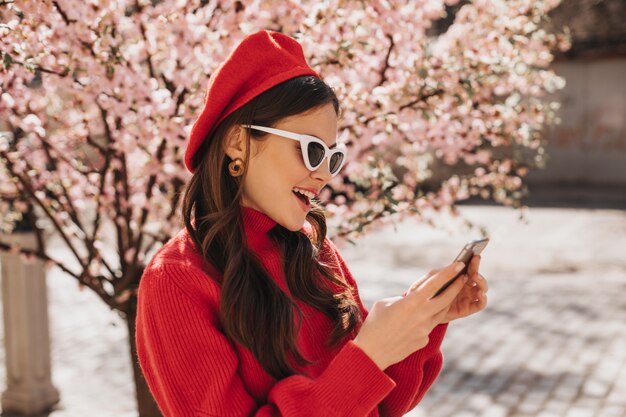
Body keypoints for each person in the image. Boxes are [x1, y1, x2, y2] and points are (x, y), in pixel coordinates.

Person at [135, 30, 488, 417]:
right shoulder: (177, 279)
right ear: (238, 143)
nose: (324, 174)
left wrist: (422, 322)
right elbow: (359, 377)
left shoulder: (313, 249)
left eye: (332, 157)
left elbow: (381, 406)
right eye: (311, 150)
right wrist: (369, 355)